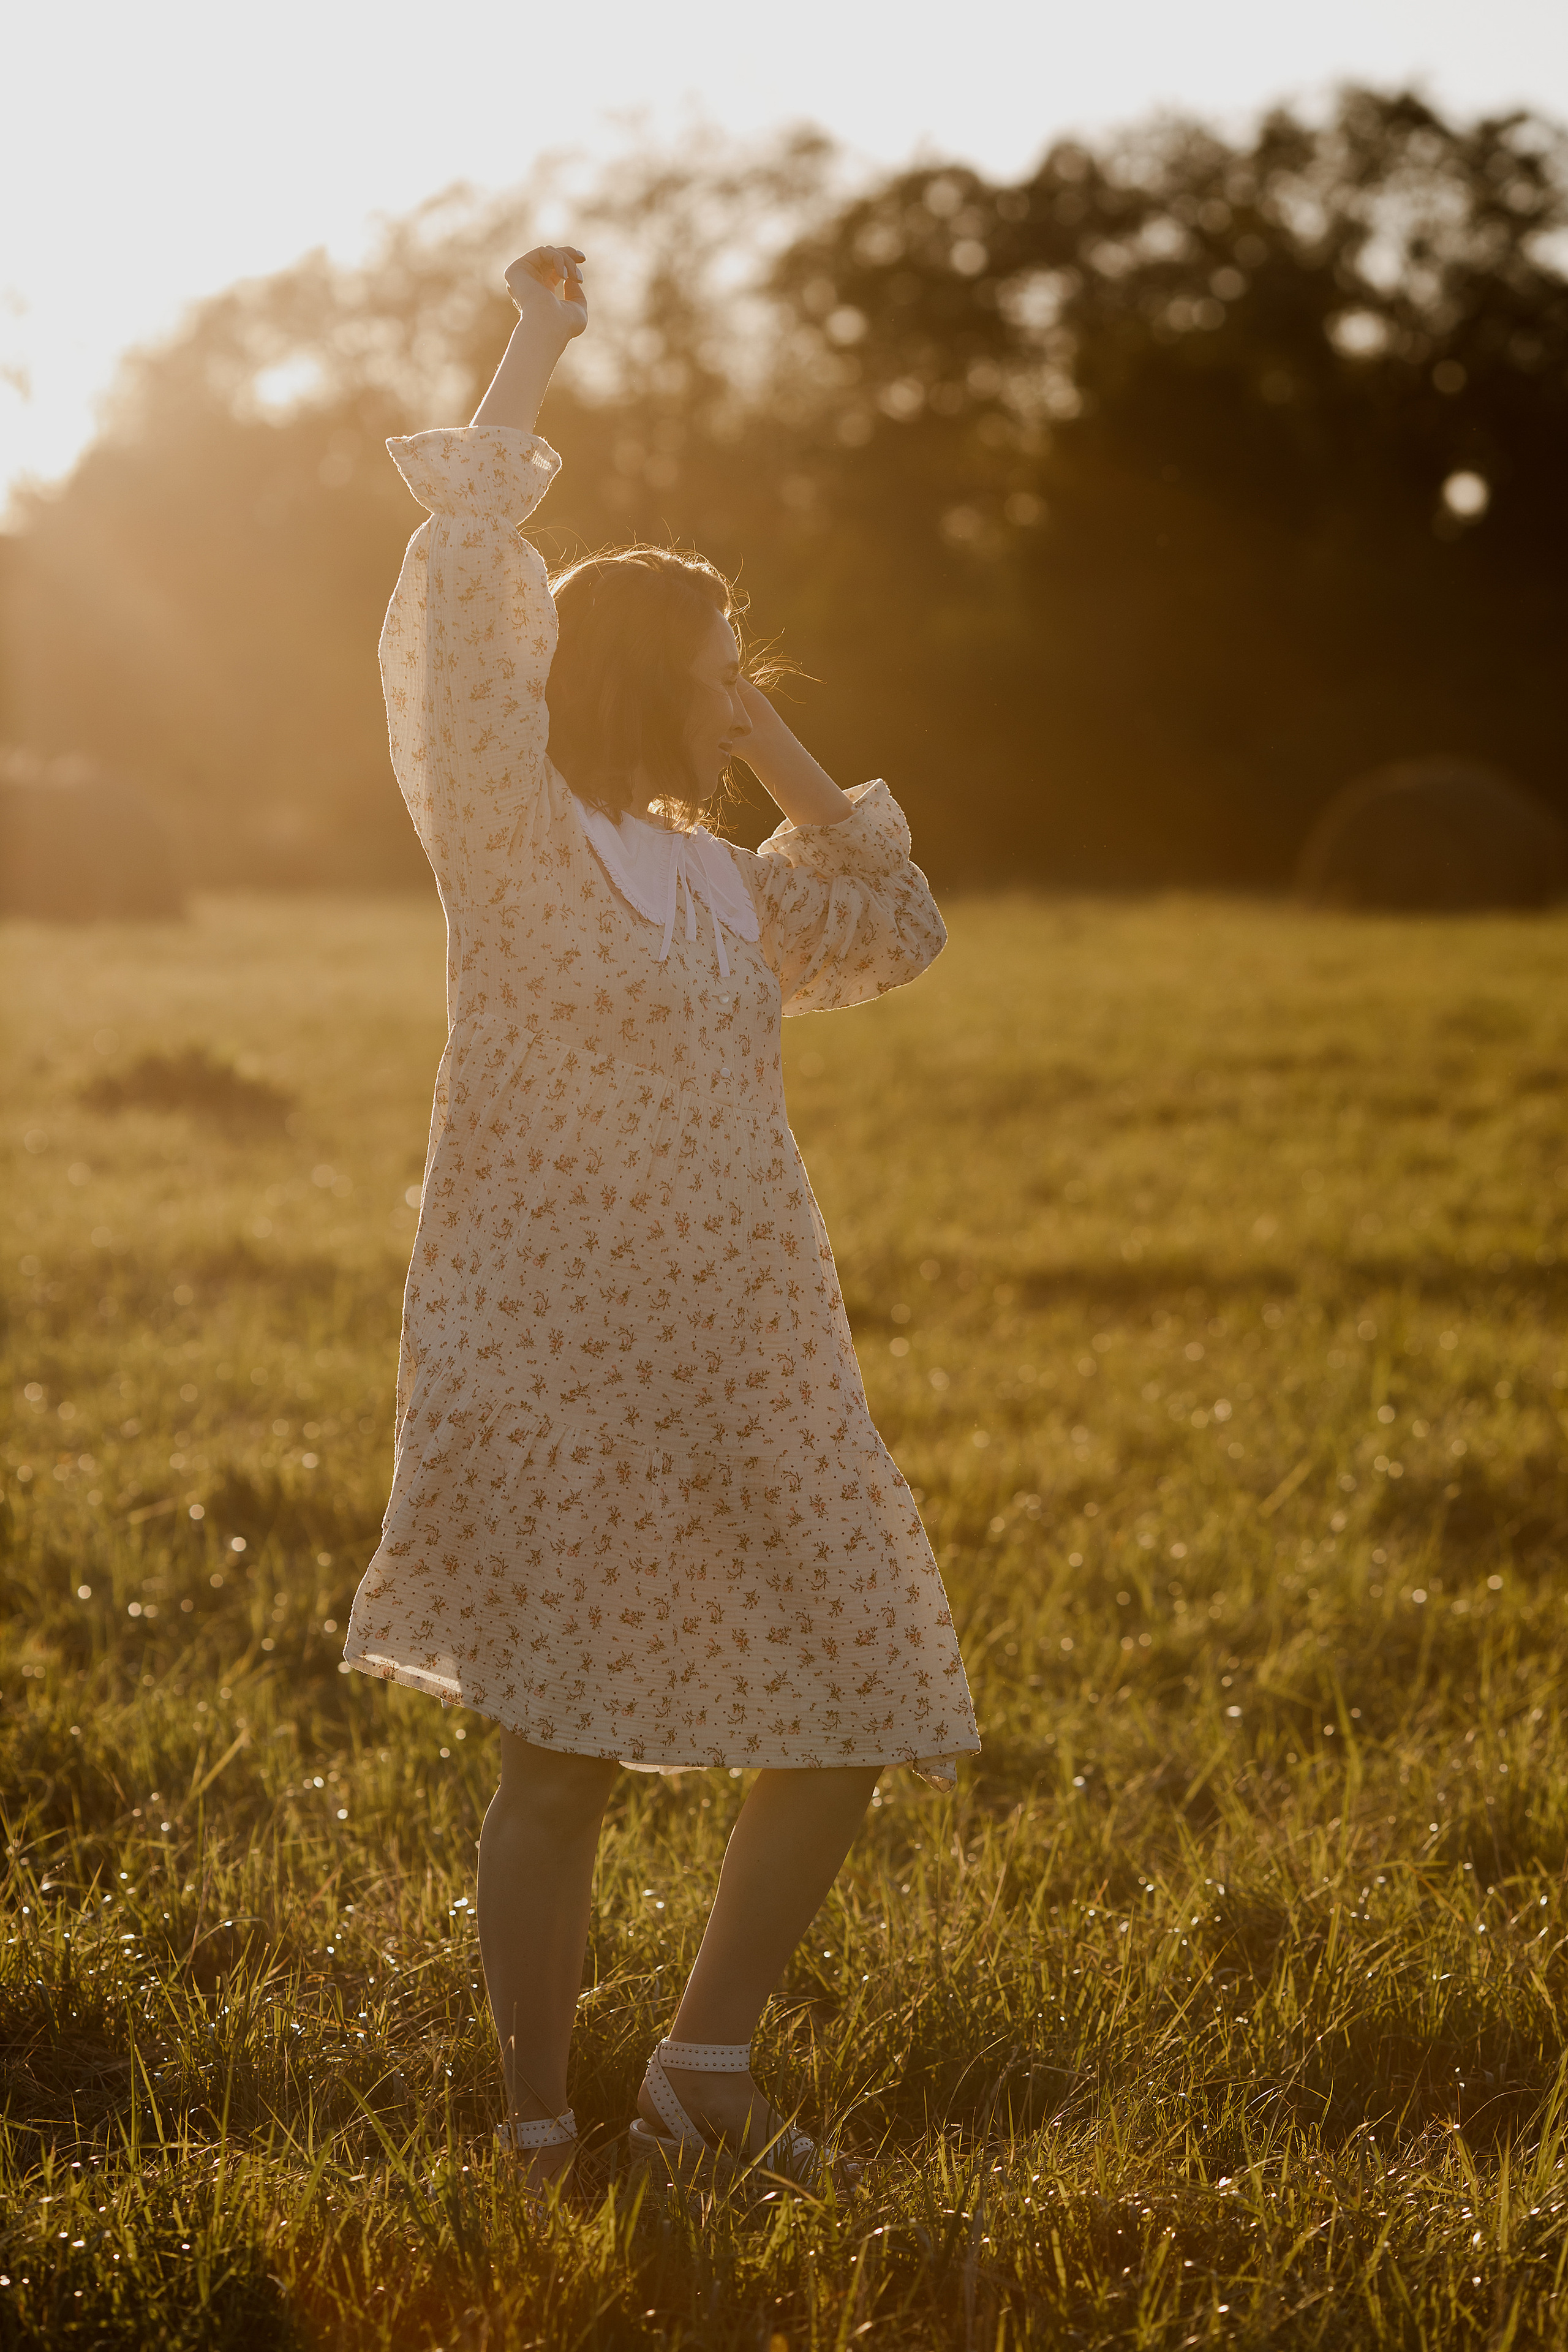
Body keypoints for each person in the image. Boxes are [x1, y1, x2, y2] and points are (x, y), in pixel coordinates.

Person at [344, 244, 979, 2195]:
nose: (740, 703)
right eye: (713, 680)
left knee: (863, 1695)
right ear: (632, 679)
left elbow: (897, 920)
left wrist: (768, 744)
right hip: (554, 1353)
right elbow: (464, 595)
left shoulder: (722, 883)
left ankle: (704, 2070)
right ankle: (544, 2127)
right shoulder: (521, 846)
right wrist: (535, 343)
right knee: (565, 1763)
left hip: (756, 1349)